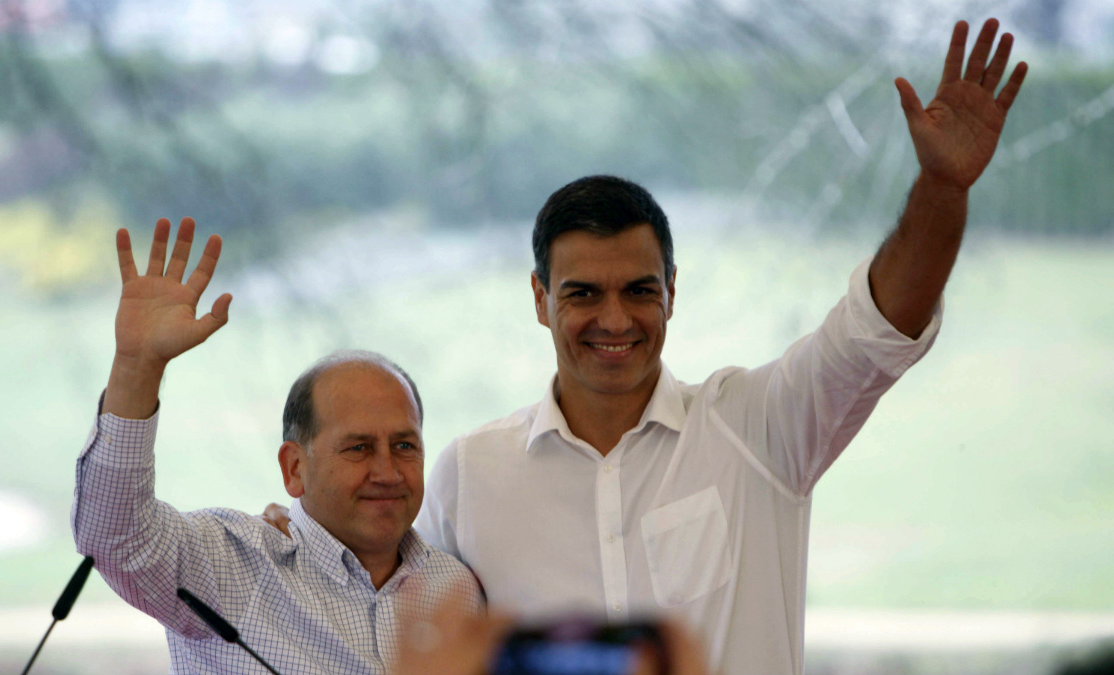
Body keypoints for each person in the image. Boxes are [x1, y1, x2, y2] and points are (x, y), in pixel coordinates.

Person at [266, 18, 1028, 675]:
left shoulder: (760, 426)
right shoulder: (469, 474)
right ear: (539, 299)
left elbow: (880, 323)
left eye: (639, 290)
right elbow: (378, 587)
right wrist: (296, 526)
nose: (614, 319)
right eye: (582, 294)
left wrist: (942, 188)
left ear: (672, 290)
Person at [71, 218, 483, 675]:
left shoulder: (456, 589)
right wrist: (136, 368)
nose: (387, 471)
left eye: (404, 446)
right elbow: (115, 539)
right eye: (358, 448)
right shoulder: (234, 566)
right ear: (294, 468)